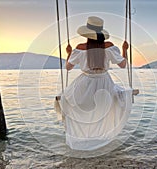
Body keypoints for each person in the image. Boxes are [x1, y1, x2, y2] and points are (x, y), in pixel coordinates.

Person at [56, 16, 132, 151]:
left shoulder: (80, 48)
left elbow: (68, 68)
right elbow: (123, 65)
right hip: (104, 84)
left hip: (85, 84)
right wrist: (124, 50)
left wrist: (68, 53)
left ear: (87, 33)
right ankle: (101, 136)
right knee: (110, 103)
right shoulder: (109, 46)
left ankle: (83, 135)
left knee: (69, 101)